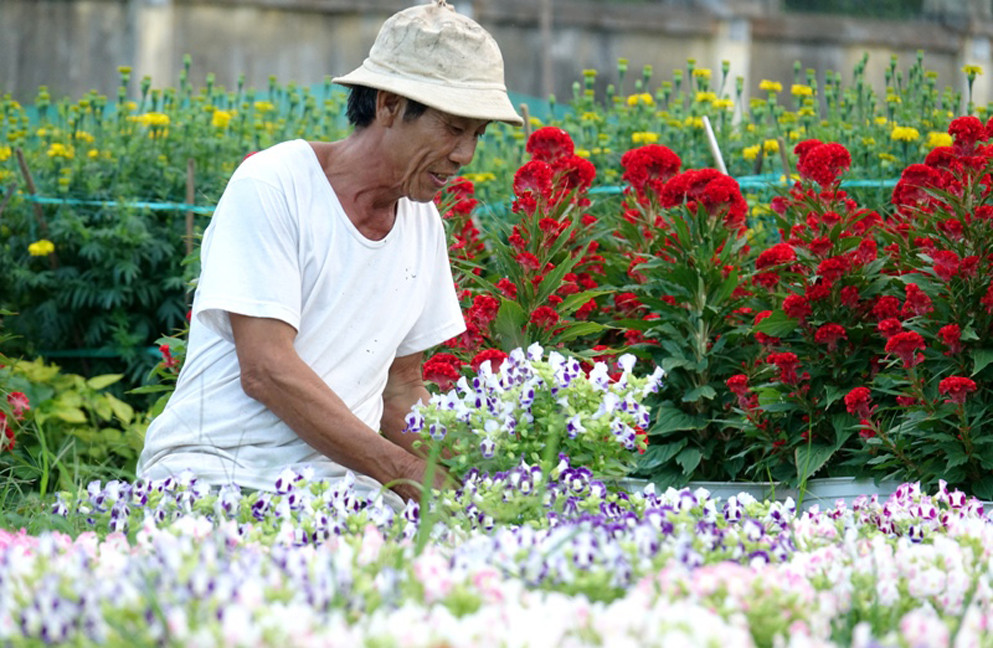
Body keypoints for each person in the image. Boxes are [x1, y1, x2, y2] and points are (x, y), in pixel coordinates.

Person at [136, 0, 523, 508]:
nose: (464, 155)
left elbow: (401, 391)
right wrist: (405, 474)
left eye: (477, 134)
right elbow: (266, 369)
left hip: (339, 489)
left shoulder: (422, 225)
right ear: (387, 105)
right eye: (453, 128)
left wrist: (486, 478)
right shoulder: (276, 184)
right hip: (216, 473)